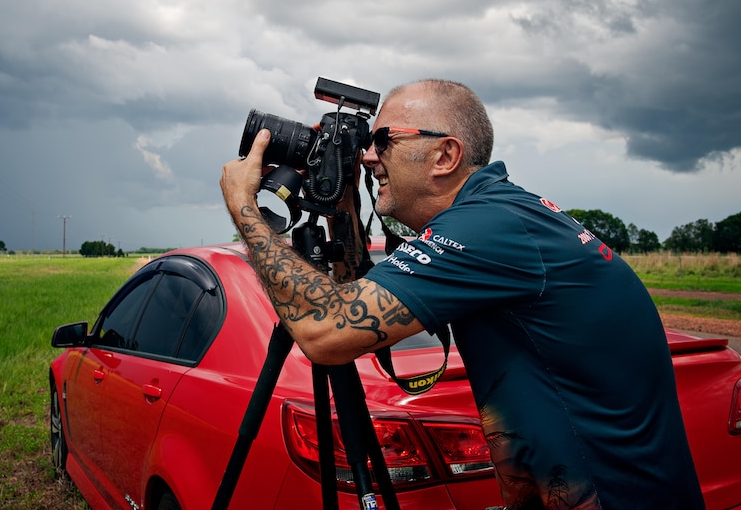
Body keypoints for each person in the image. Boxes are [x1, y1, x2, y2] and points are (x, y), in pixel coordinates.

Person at [220, 79, 705, 509]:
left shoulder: (487, 228)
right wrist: (342, 207)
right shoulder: (498, 216)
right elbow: (355, 300)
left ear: (446, 156)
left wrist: (246, 209)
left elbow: (325, 332)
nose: (368, 156)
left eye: (382, 141)